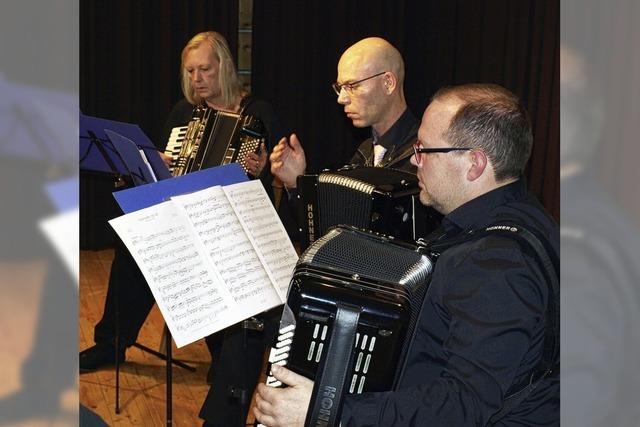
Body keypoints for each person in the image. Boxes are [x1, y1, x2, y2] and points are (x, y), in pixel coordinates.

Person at [254, 83, 560, 426]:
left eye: (424, 149)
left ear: (474, 164)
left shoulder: (498, 265)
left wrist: (327, 412)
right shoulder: (522, 214)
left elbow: (464, 405)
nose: (415, 160)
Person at [79, 31, 285, 426]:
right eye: (190, 71)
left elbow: (275, 177)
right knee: (133, 247)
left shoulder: (257, 113)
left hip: (232, 224)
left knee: (212, 264)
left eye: (204, 69)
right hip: (184, 214)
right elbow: (165, 172)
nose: (197, 79)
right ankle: (113, 342)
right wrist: (161, 164)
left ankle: (225, 358)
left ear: (224, 66)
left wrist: (265, 170)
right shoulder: (182, 115)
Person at [270, 37, 419, 192]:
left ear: (388, 83)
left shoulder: (424, 155)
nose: (341, 99)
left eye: (352, 85)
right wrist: (296, 183)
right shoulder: (363, 154)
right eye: (340, 87)